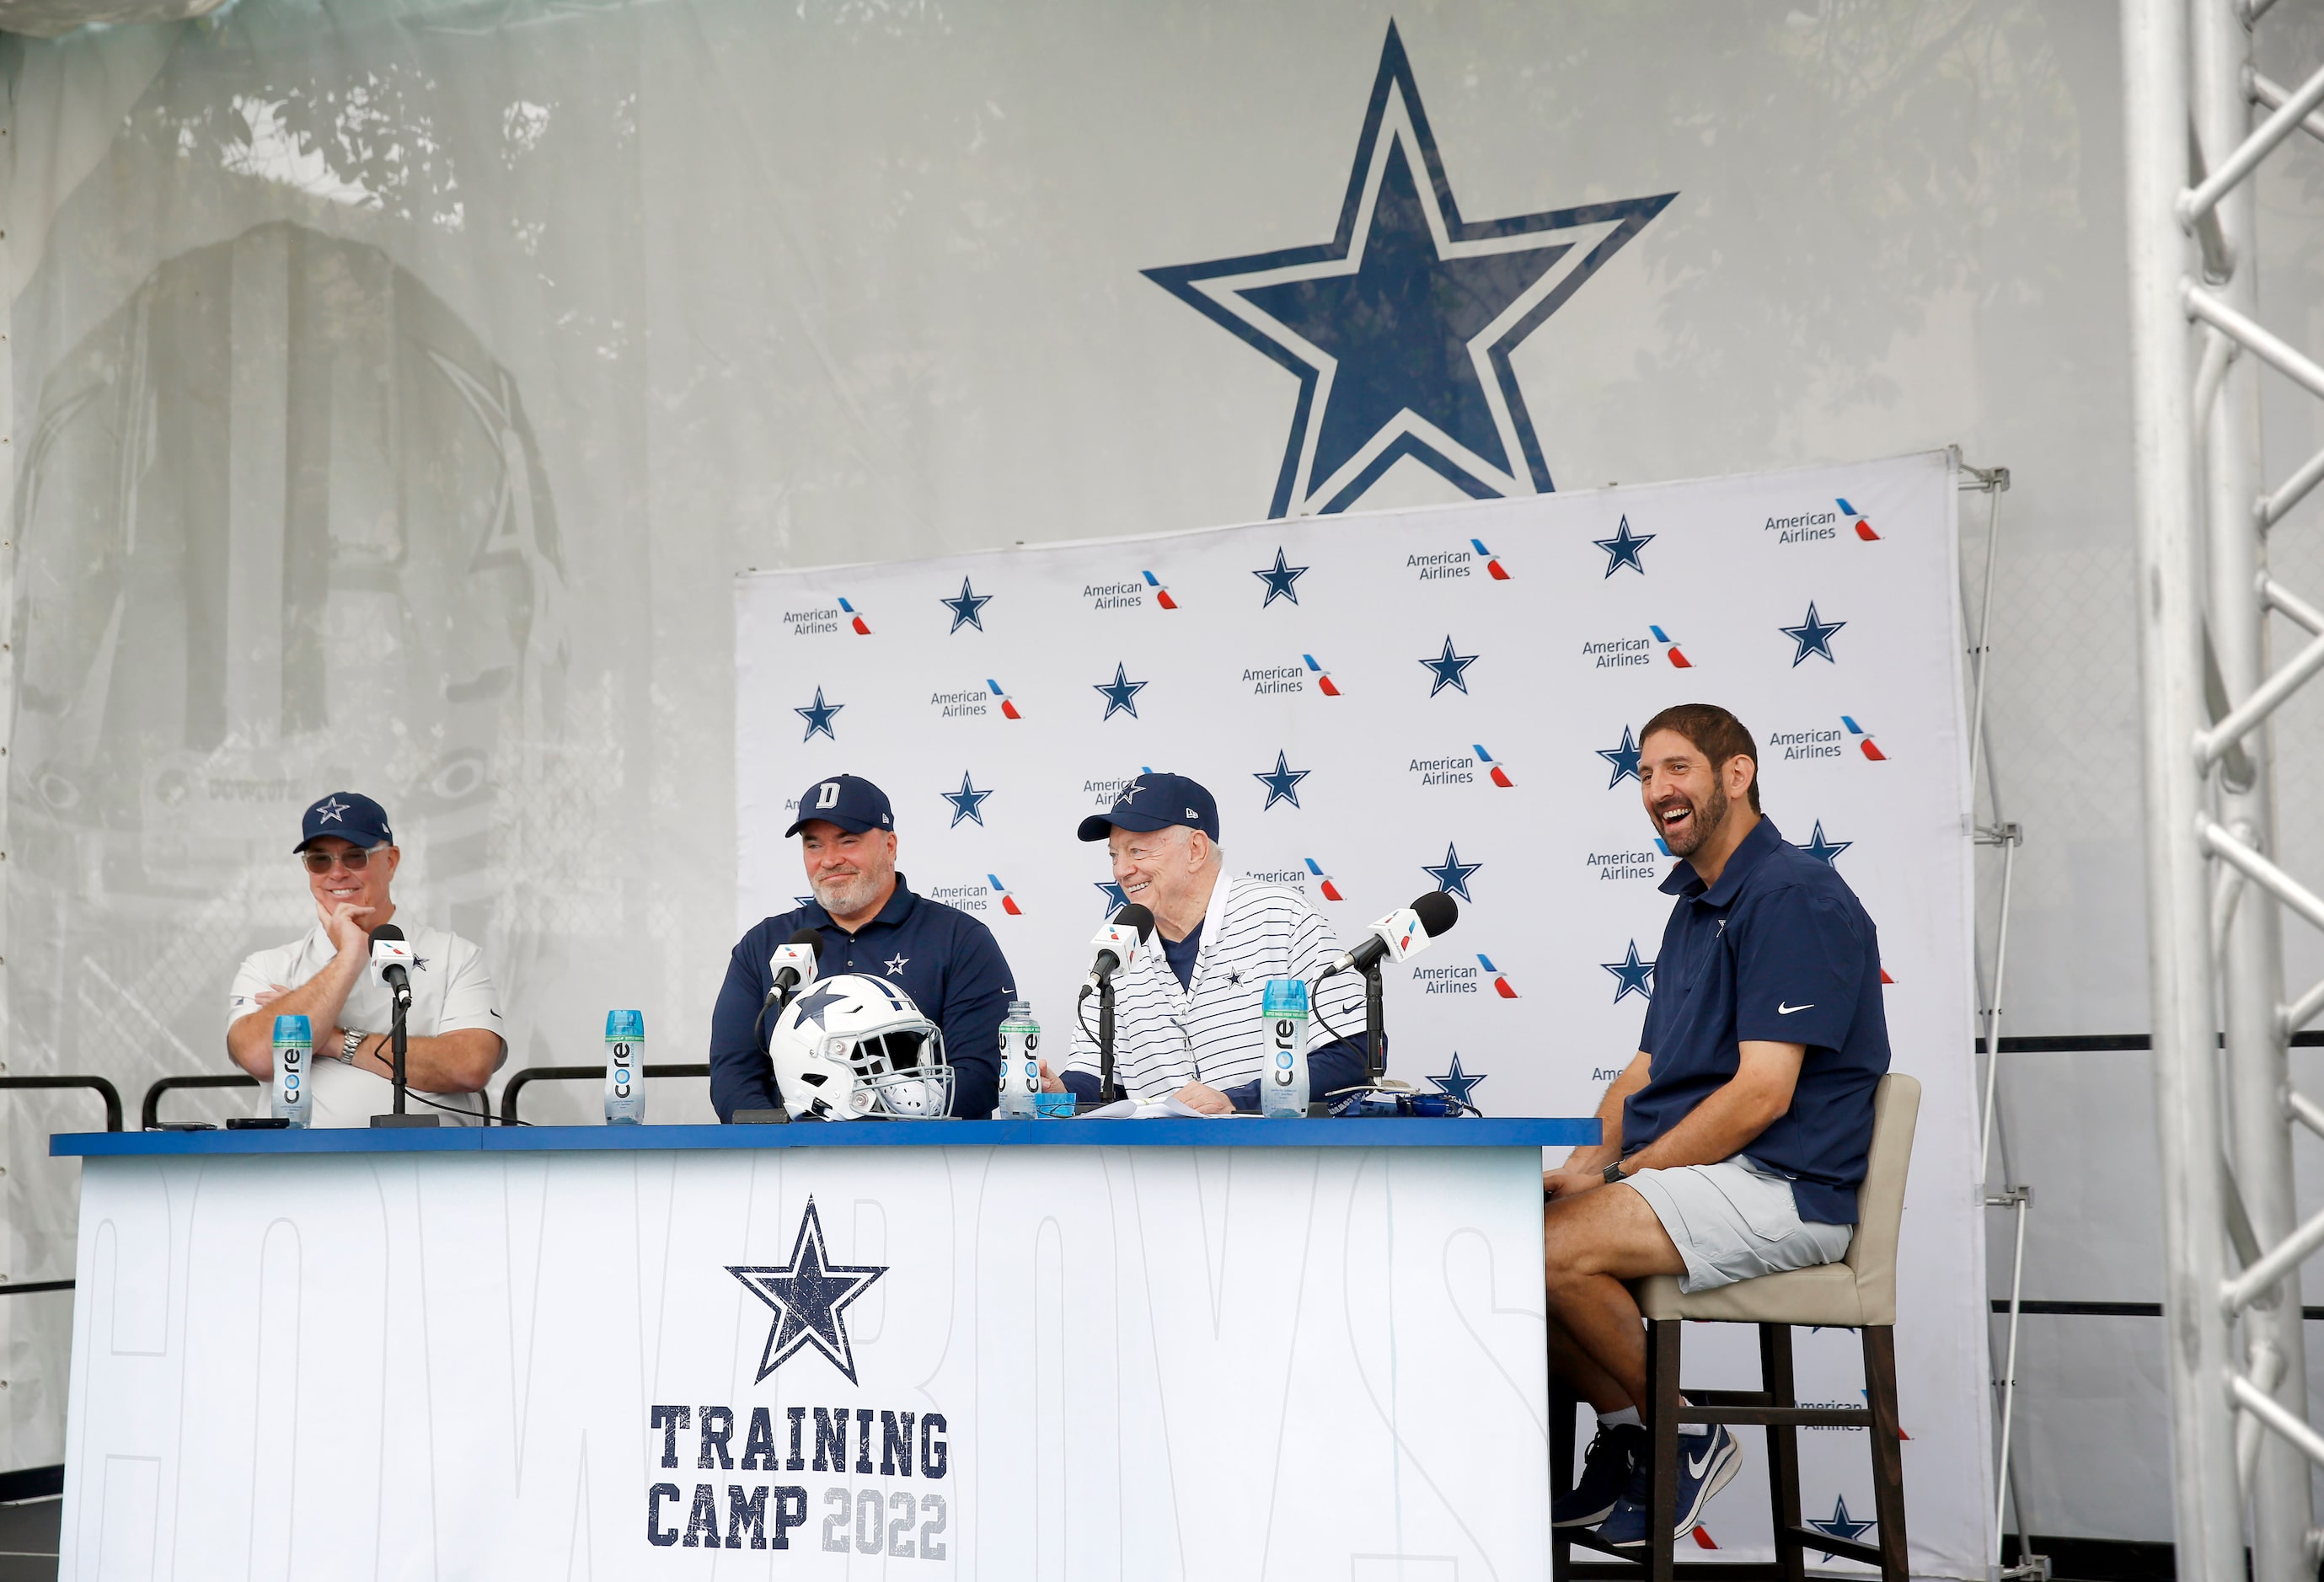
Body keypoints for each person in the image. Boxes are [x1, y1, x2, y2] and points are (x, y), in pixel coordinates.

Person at [1541, 703, 1890, 1547]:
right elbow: (1644, 1071)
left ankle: (1684, 1433)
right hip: (1711, 1177)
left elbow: (1762, 1095)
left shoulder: (1792, 894)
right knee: (1519, 1229)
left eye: (1677, 768)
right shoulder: (1694, 904)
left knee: (1550, 1248)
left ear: (1736, 775)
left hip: (1786, 1183)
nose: (1657, 789)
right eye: (1645, 774)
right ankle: (1636, 1443)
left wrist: (1629, 1178)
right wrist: (1588, 1168)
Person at [1045, 772, 1368, 1111]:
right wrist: (1060, 1091)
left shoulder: (1281, 916)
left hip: (1281, 1156)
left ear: (1196, 849)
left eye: (1137, 851)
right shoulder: (1118, 938)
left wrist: (1239, 1101)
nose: (1121, 870)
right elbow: (1100, 1079)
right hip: (1162, 1160)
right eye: (1114, 855)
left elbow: (1352, 1053)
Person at [710, 773, 1015, 1120]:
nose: (829, 860)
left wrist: (872, 1141)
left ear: (890, 846)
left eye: (848, 841)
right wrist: (787, 1144)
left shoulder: (960, 939)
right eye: (814, 845)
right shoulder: (762, 944)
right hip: (792, 1162)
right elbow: (733, 1076)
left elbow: (982, 1074)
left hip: (922, 1162)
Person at [227, 792, 506, 1126]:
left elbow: (469, 1065)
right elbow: (256, 1055)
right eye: (320, 860)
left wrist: (331, 1039)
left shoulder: (456, 955)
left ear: (390, 860)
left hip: (434, 1168)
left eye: (355, 857)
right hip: (303, 1170)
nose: (337, 873)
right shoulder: (268, 965)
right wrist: (351, 956)